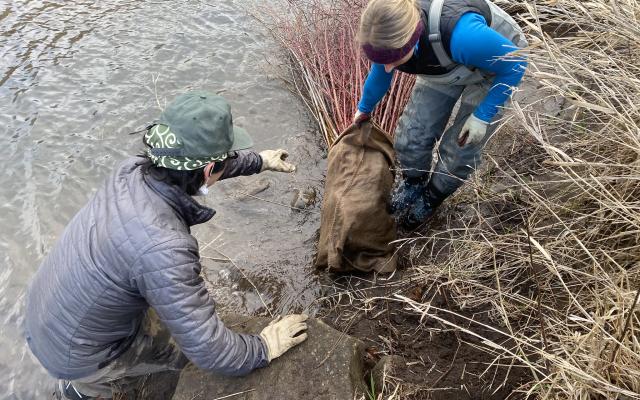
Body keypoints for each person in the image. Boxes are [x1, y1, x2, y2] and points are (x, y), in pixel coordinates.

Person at [25, 91, 309, 400]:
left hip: (47, 316)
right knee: (129, 377)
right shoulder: (164, 247)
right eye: (224, 159)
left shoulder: (131, 171)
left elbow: (201, 168)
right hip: (76, 355)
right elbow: (211, 351)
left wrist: (259, 161)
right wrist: (264, 347)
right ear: (207, 170)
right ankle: (81, 391)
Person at [354, 0, 528, 228]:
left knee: (460, 149)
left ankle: (432, 197)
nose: (388, 68)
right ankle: (414, 183)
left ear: (411, 38)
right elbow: (380, 74)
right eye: (381, 61)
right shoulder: (386, 39)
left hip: (496, 68)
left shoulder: (463, 36)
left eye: (392, 61)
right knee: (411, 136)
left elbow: (515, 64)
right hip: (444, 63)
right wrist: (363, 110)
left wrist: (482, 116)